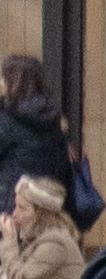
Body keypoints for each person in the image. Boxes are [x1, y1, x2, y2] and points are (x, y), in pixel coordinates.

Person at [0, 55, 72, 204]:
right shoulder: (51, 118)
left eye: (3, 77)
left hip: (11, 206)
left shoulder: (10, 120)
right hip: (45, 205)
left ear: (12, 82)